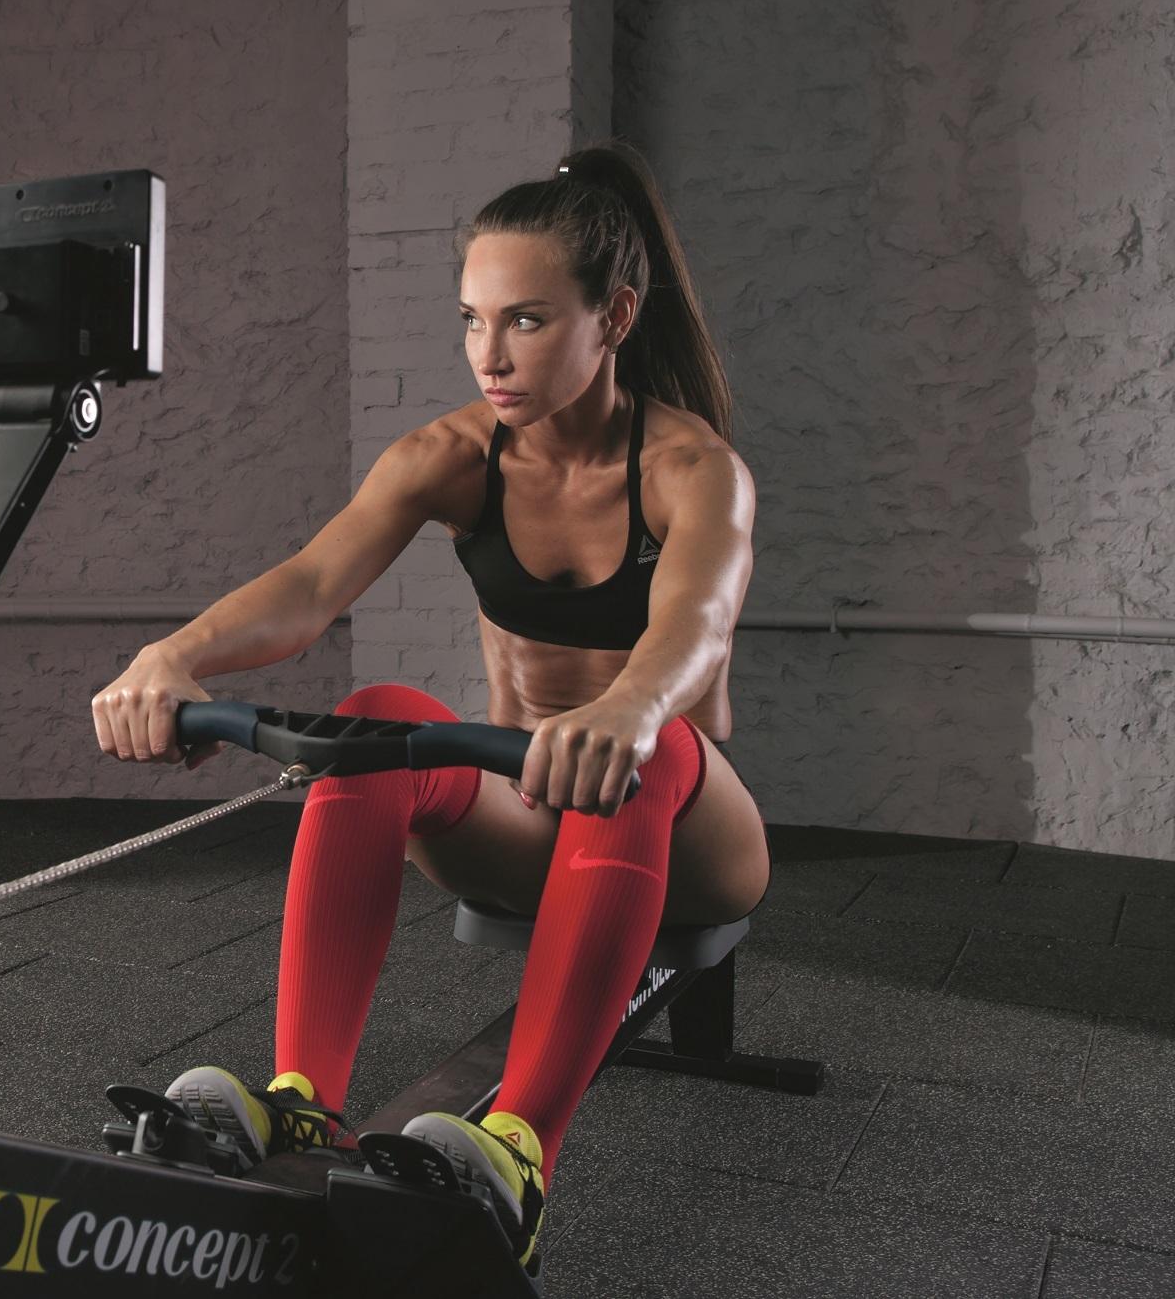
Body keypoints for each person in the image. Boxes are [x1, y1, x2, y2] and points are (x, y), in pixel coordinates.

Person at [90, 143, 767, 1269]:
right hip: (526, 816)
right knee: (374, 715)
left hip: (685, 832)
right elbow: (310, 585)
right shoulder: (450, 456)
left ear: (614, 316)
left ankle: (519, 1153)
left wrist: (631, 708)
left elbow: (692, 628)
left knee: (642, 758)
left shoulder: (692, 470)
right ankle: (302, 1099)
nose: (489, 355)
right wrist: (173, 655)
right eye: (472, 320)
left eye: (526, 321)